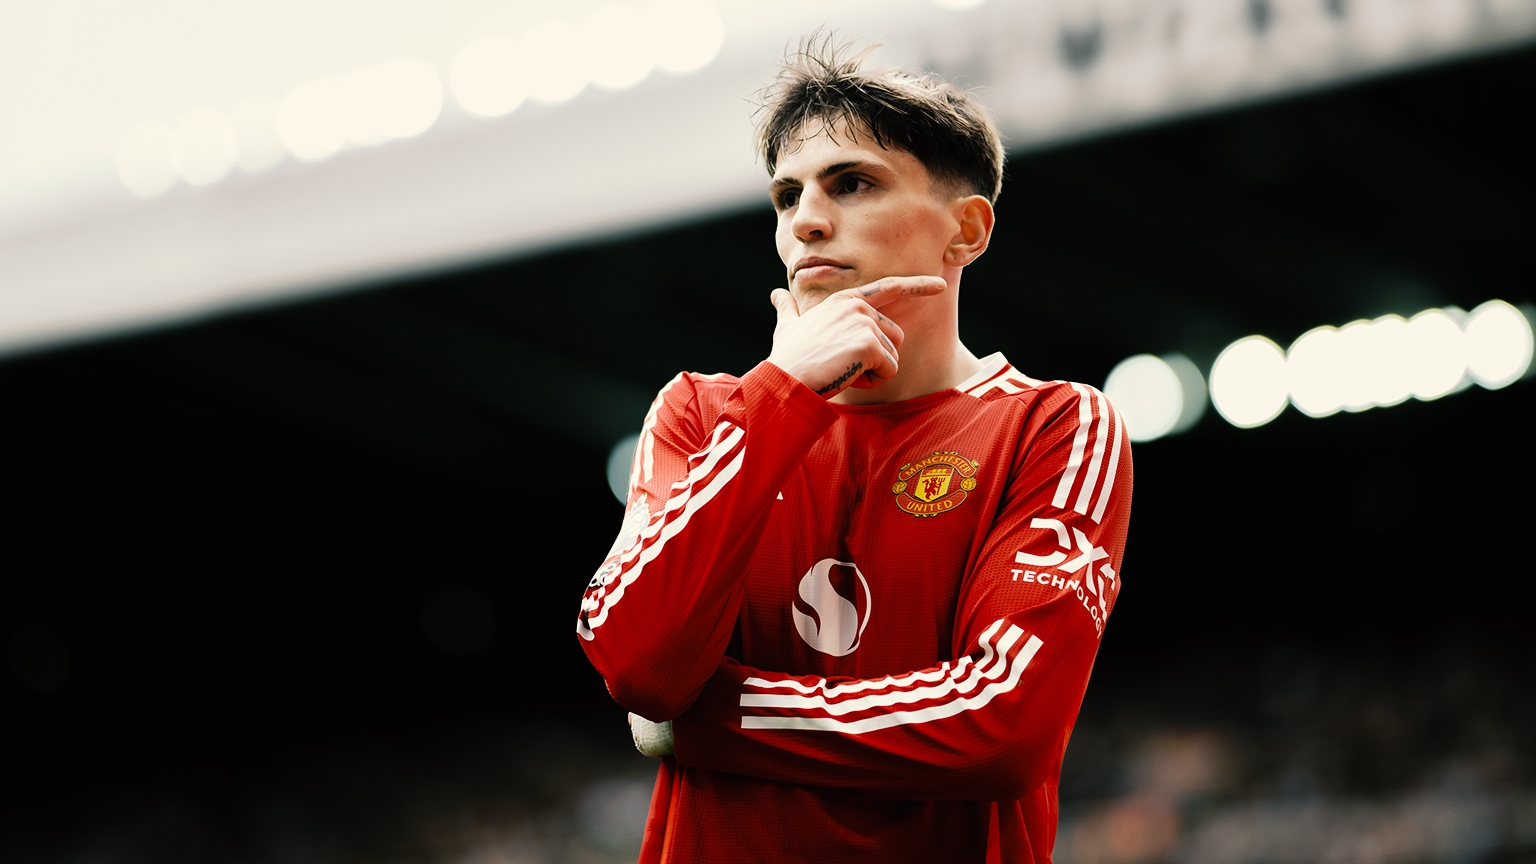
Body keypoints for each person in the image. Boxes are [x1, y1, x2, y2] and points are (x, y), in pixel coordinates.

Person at [577, 39, 1133, 863]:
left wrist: (711, 719)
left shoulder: (1055, 426)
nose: (805, 219)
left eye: (853, 183)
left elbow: (1003, 727)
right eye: (786, 195)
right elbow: (639, 667)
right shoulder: (702, 412)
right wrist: (782, 396)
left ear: (967, 231)